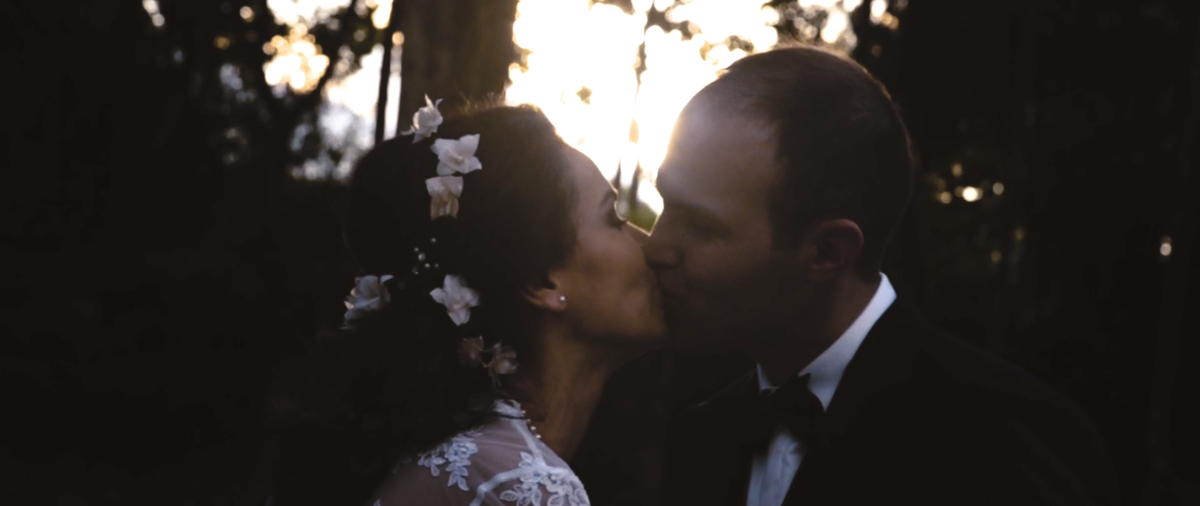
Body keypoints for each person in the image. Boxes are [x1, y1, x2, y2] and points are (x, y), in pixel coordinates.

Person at [648, 46, 1118, 505]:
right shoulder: (699, 434)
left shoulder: (1007, 438)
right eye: (665, 202)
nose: (655, 247)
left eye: (699, 225)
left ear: (826, 254)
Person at [271, 101, 666, 506]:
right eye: (614, 220)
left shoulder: (447, 459)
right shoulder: (516, 485)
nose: (650, 245)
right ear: (540, 281)